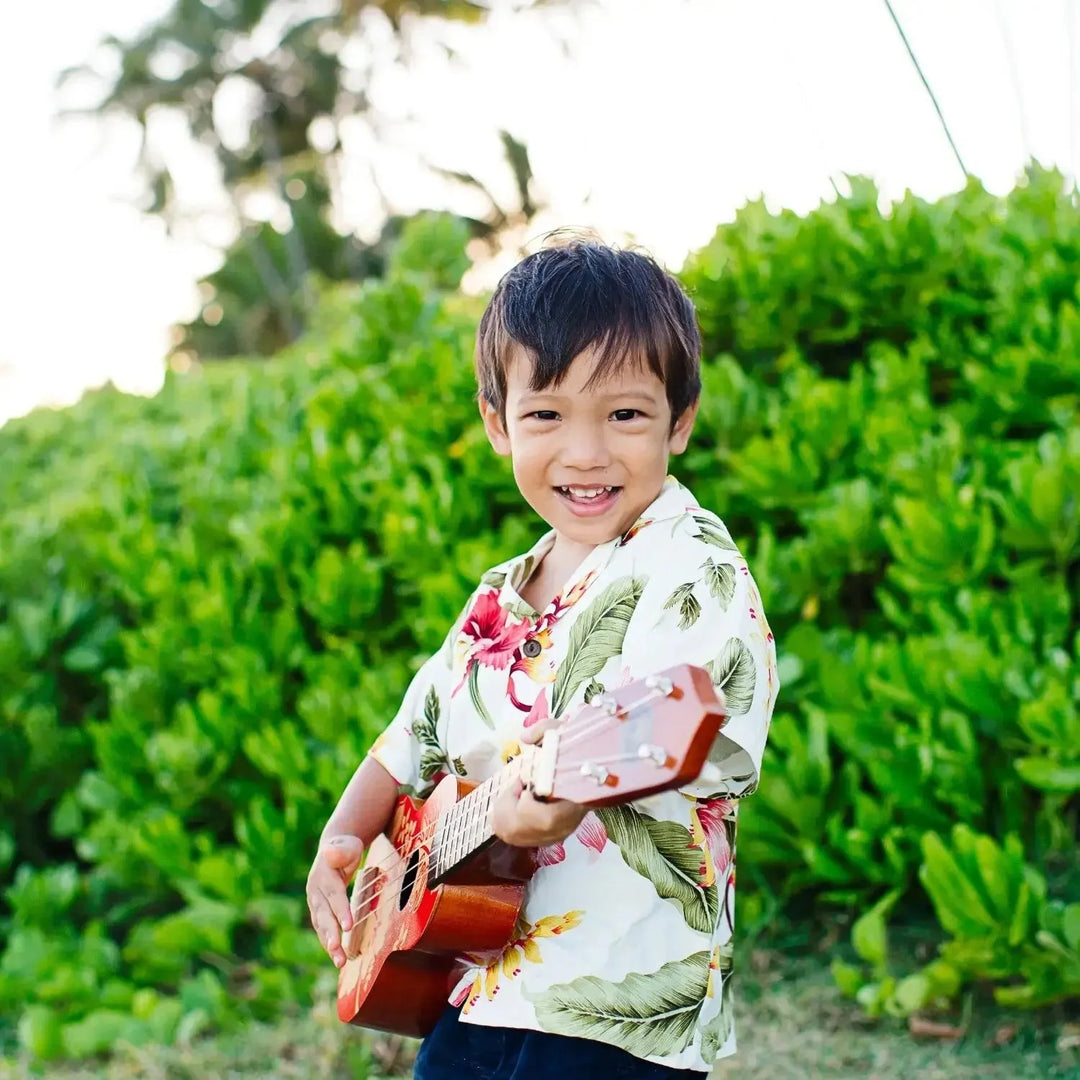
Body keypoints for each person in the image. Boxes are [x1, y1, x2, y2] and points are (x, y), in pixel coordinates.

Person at [306, 235, 779, 1078]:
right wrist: (345, 835)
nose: (587, 452)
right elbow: (413, 727)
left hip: (622, 994)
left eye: (625, 414)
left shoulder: (689, 558)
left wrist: (547, 799)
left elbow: (679, 719)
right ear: (498, 423)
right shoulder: (500, 591)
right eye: (547, 414)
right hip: (483, 980)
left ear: (682, 418)